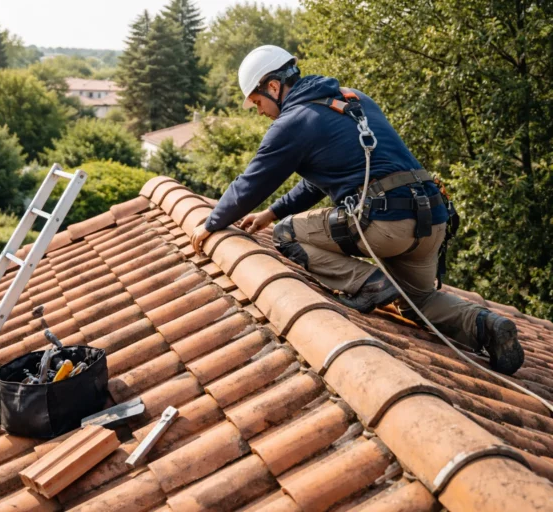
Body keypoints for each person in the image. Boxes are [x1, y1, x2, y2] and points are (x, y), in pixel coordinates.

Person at [189, 45, 524, 375]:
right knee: (415, 302)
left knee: (285, 234)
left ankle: (369, 283)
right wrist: (270, 212)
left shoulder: (293, 122)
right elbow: (317, 183)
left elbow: (251, 183)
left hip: (385, 223)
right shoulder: (353, 99)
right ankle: (486, 326)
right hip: (432, 220)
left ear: (273, 87)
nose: (259, 111)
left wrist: (211, 223)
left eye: (257, 102)